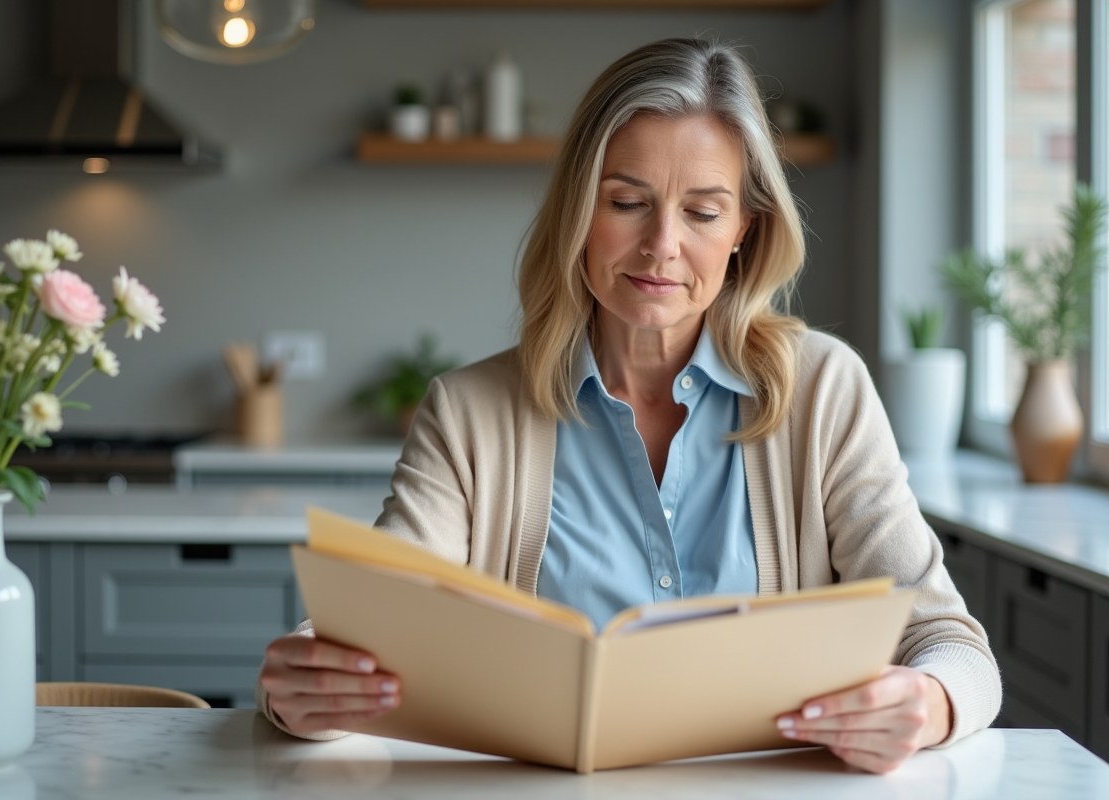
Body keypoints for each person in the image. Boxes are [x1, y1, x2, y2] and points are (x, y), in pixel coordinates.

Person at [258, 38, 1001, 774]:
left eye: (703, 212)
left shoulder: (824, 390)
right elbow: (369, 628)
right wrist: (303, 689)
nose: (662, 245)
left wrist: (927, 702)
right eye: (627, 203)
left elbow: (950, 644)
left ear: (744, 230)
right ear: (578, 213)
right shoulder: (469, 412)